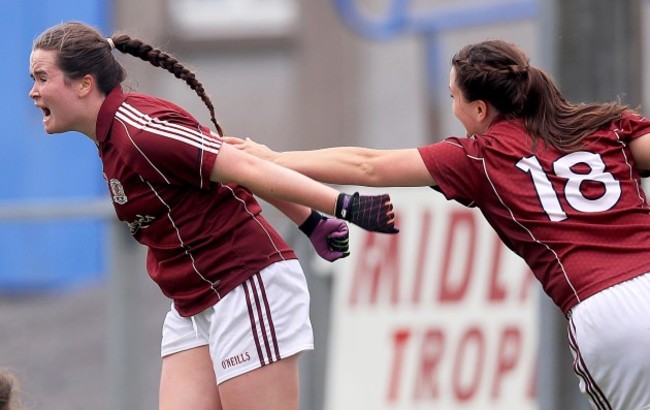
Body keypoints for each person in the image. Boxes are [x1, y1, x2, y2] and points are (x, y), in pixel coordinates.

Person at [225, 39, 650, 410]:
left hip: (605, 311)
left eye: (454, 98)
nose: (454, 109)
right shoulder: (604, 126)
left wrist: (273, 160)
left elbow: (367, 165)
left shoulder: (479, 156)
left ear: (481, 109)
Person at [28, 21, 398, 410]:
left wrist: (340, 206)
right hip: (193, 303)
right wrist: (310, 221)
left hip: (244, 283)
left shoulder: (139, 130)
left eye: (42, 77)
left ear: (84, 84)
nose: (33, 92)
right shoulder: (115, 136)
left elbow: (243, 166)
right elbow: (229, 169)